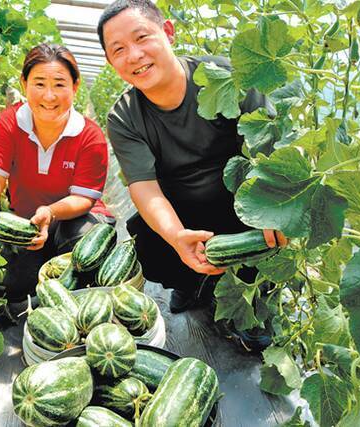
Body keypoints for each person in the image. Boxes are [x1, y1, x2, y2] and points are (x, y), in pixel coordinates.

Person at [97, 0, 286, 323]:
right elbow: (145, 188)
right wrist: (175, 237)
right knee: (149, 242)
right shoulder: (123, 116)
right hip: (183, 211)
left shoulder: (227, 78)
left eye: (142, 38)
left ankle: (257, 300)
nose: (134, 56)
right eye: (119, 50)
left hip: (244, 205)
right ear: (111, 62)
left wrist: (275, 207)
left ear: (167, 32)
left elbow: (269, 151)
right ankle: (187, 283)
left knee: (268, 250)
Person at [0, 43, 114, 307]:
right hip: (29, 224)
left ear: (75, 87)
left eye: (59, 85)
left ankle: (83, 302)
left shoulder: (90, 137)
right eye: (40, 84)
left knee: (82, 249)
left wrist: (51, 212)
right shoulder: (7, 124)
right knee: (11, 284)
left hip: (76, 220)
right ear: (24, 83)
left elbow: (82, 199)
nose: (49, 96)